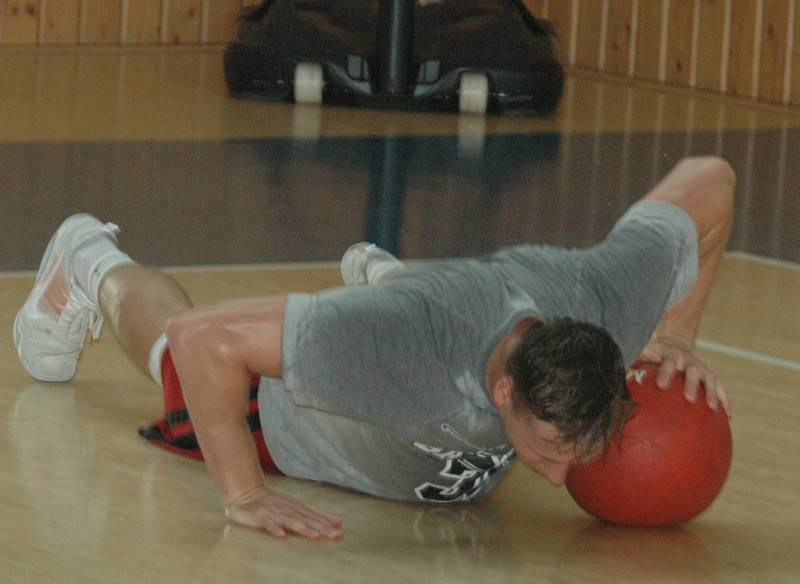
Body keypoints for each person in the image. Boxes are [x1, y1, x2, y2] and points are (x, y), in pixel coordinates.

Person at [13, 156, 734, 540]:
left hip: (433, 316)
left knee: (411, 313)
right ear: (506, 391)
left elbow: (711, 180)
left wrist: (674, 334)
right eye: (544, 450)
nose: (553, 479)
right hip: (289, 415)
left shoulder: (606, 300)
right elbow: (204, 338)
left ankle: (388, 283)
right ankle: (87, 259)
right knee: (171, 359)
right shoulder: (404, 353)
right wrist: (244, 495)